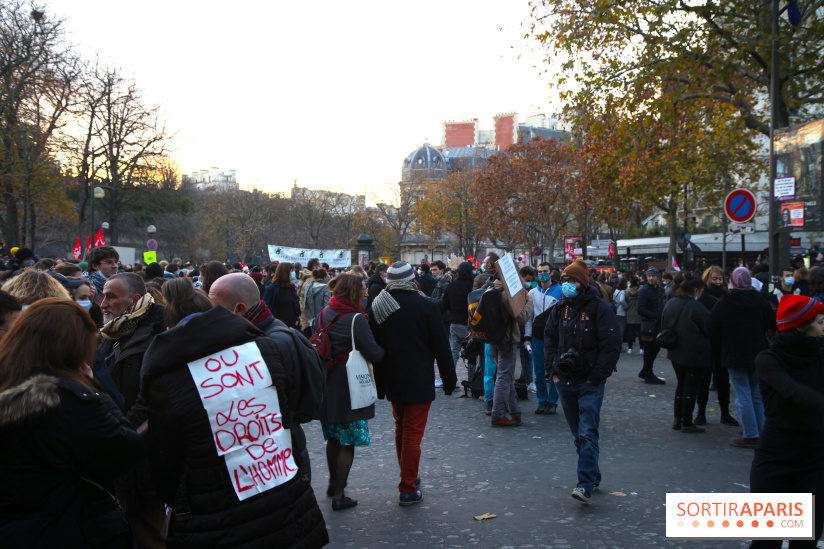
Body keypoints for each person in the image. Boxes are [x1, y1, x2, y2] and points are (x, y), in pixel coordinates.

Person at [141, 286, 329, 548]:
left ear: (170, 327)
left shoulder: (167, 379)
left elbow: (165, 466)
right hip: (284, 498)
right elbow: (286, 418)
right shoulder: (264, 348)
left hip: (216, 515)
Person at [0, 298, 143, 548]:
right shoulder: (68, 400)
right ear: (73, 346)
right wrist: (93, 389)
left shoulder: (9, 381)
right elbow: (124, 450)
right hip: (68, 527)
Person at [209, 272, 326, 485]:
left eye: (216, 307)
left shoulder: (271, 343)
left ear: (240, 309)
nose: (210, 315)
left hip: (278, 455)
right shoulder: (264, 333)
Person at [369, 261, 456, 506]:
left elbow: (375, 347)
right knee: (412, 435)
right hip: (418, 378)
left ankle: (409, 474)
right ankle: (408, 485)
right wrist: (449, 380)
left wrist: (379, 383)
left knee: (401, 427)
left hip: (393, 377)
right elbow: (441, 347)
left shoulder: (378, 306)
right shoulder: (426, 305)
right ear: (413, 280)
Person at [98, 273, 167, 547]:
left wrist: (125, 433)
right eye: (102, 295)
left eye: (111, 297)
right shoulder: (111, 332)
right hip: (117, 447)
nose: (102, 303)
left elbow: (155, 397)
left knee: (147, 531)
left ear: (135, 300)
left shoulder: (156, 334)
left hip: (142, 455)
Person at [544, 259, 622, 504]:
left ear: (583, 283)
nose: (567, 284)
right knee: (579, 435)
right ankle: (593, 475)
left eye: (572, 280)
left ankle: (584, 484)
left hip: (589, 382)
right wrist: (553, 372)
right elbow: (549, 341)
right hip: (564, 380)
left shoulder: (599, 308)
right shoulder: (559, 309)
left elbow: (611, 345)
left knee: (588, 433)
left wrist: (595, 377)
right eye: (565, 280)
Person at [749, 295, 824, 549]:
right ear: (801, 326)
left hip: (816, 457)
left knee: (805, 541)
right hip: (775, 457)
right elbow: (792, 391)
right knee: (766, 541)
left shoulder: (820, 353)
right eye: (821, 322)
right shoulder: (768, 359)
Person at [314, 274, 385, 511]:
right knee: (348, 442)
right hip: (349, 387)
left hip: (327, 384)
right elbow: (374, 353)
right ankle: (340, 494)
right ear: (353, 291)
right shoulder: (356, 319)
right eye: (363, 289)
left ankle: (333, 484)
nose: (366, 293)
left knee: (333, 436)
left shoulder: (326, 311)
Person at [706, 267, 776, 449]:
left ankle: (750, 433)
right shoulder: (759, 300)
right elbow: (772, 322)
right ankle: (761, 431)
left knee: (742, 394)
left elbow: (711, 326)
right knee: (756, 393)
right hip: (757, 351)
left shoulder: (726, 301)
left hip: (734, 352)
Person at [662, 273, 711, 433]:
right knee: (690, 387)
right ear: (696, 290)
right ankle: (686, 421)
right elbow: (709, 326)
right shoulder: (695, 306)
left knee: (681, 384)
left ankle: (677, 418)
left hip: (675, 350)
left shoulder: (671, 303)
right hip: (693, 352)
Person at [486, 266, 534, 427]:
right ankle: (498, 414)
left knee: (505, 376)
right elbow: (521, 318)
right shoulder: (507, 294)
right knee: (504, 376)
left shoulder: (490, 289)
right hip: (507, 339)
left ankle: (515, 412)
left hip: (493, 339)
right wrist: (529, 303)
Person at [697, 266, 738, 427]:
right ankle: (701, 412)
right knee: (704, 379)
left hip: (722, 342)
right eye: (715, 279)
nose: (718, 282)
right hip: (707, 342)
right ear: (708, 279)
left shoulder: (727, 296)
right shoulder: (703, 296)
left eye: (720, 279)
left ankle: (725, 412)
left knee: (722, 379)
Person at [525, 262, 563, 415]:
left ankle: (552, 401)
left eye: (545, 271)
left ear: (552, 272)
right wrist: (527, 337)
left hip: (555, 338)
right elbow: (529, 317)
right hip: (538, 337)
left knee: (556, 370)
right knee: (539, 371)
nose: (542, 274)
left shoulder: (561, 291)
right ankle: (542, 401)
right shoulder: (533, 293)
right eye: (540, 271)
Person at [441, 261, 474, 380]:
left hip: (454, 323)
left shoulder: (451, 285)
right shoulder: (472, 285)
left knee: (454, 352)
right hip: (469, 325)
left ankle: (451, 379)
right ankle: (472, 380)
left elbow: (444, 305)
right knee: (472, 354)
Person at [637, 267, 666, 384]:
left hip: (657, 324)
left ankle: (645, 371)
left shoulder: (659, 289)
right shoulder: (644, 290)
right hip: (649, 324)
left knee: (655, 348)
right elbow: (640, 309)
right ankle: (648, 374)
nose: (651, 278)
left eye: (653, 276)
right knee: (649, 350)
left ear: (657, 277)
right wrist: (655, 315)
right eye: (649, 276)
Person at [262, 261, 301, 329]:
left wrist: (297, 318)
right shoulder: (272, 289)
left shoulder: (290, 287)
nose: (292, 274)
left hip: (292, 325)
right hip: (278, 326)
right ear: (285, 273)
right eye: (290, 271)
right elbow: (265, 307)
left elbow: (295, 304)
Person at [625, 275, 642, 354]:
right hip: (639, 312)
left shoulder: (627, 291)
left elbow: (624, 301)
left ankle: (630, 347)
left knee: (630, 331)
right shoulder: (641, 290)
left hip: (630, 312)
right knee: (640, 331)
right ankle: (642, 348)